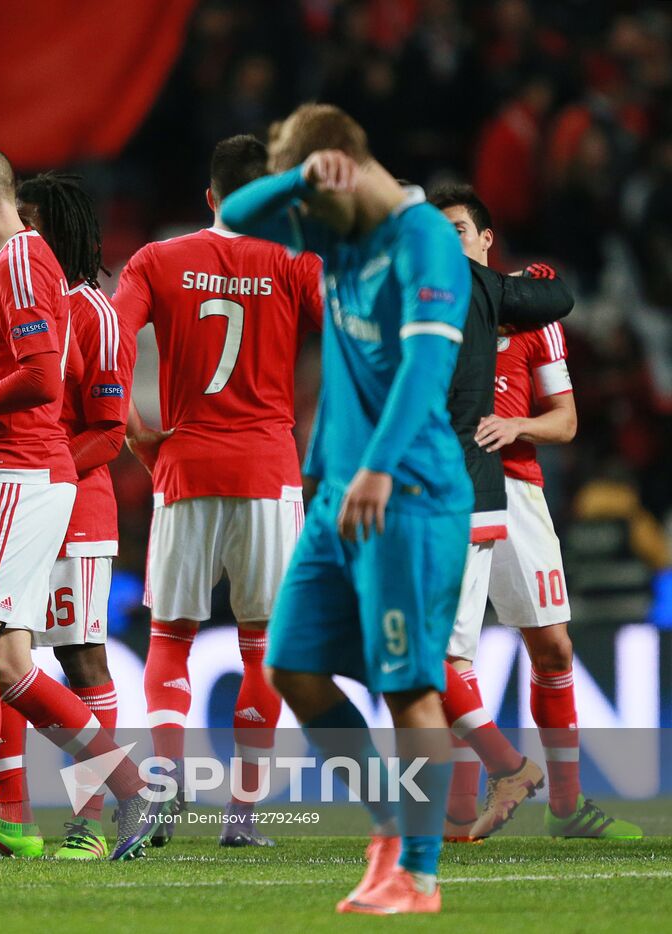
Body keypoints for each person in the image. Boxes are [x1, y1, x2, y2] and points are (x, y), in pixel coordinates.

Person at [220, 103, 471, 914]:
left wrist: (378, 468)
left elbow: (425, 367)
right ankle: (390, 827)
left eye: (315, 190)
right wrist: (299, 178)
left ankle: (421, 876)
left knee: (408, 688)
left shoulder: (424, 237)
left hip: (408, 494)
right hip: (339, 495)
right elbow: (235, 213)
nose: (304, 219)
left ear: (347, 165)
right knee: (289, 661)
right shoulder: (338, 233)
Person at [0, 143, 156, 862]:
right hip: (21, 475)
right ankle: (132, 788)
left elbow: (39, 382)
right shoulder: (10, 268)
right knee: (6, 660)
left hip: (19, 472)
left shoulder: (23, 261)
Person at [114, 135, 323, 848]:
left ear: (209, 197)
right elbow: (356, 348)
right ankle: (243, 816)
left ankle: (165, 792)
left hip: (185, 465)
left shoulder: (156, 260)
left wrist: (135, 430)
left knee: (170, 637)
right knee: (264, 646)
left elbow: (107, 343)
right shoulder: (298, 263)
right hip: (269, 469)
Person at [432, 185, 641, 841]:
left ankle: (567, 808)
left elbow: (567, 421)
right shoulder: (428, 310)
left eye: (460, 231)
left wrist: (514, 423)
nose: (450, 244)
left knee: (551, 648)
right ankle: (463, 811)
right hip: (455, 490)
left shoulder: (526, 311)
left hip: (517, 487)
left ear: (486, 239)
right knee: (453, 652)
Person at [1, 171, 133, 860]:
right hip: (23, 504)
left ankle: (93, 815)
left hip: (76, 510)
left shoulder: (95, 313)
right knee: (0, 656)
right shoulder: (29, 302)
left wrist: (44, 473)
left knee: (81, 660)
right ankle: (11, 821)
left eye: (28, 221)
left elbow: (111, 431)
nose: (18, 232)